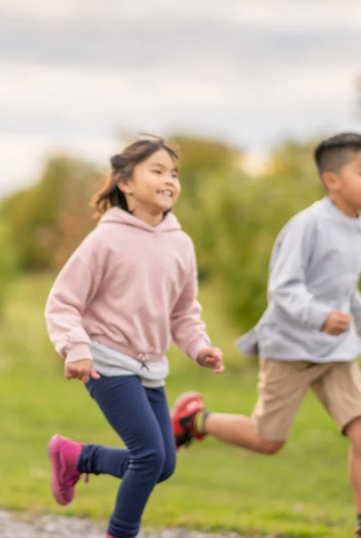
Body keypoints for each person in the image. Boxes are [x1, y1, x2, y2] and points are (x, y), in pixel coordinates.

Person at [171, 133, 361, 538]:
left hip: (335, 352)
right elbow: (283, 287)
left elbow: (345, 289)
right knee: (266, 440)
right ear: (332, 180)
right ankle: (194, 420)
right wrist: (319, 317)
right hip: (290, 347)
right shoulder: (308, 225)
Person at [44, 136, 224, 538]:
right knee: (147, 457)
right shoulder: (105, 240)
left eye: (173, 174)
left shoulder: (181, 244)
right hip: (105, 359)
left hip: (149, 366)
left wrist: (200, 348)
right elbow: (63, 302)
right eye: (157, 171)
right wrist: (76, 349)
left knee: (163, 465)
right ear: (125, 183)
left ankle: (76, 456)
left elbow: (184, 312)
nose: (169, 180)